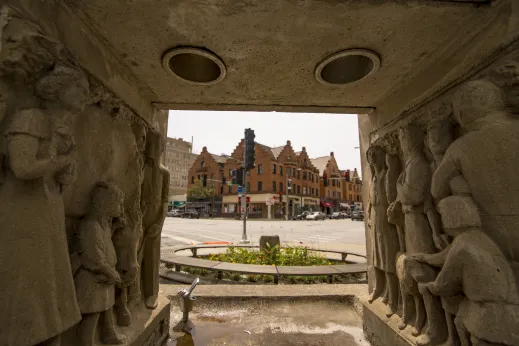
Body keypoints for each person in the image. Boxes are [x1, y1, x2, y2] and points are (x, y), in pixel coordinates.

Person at [0, 65, 88, 346]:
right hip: (24, 212)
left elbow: (62, 178)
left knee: (49, 284)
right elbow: (23, 167)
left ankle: (49, 334)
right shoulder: (30, 119)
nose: (84, 96)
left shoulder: (64, 131)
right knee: (27, 281)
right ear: (58, 89)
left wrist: (67, 171)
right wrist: (62, 161)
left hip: (48, 210)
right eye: (79, 88)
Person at [74, 182, 126, 345]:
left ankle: (109, 334)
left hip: (103, 278)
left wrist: (116, 226)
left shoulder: (102, 225)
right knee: (92, 315)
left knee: (106, 307)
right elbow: (94, 257)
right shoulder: (90, 225)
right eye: (118, 203)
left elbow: (105, 239)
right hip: (92, 279)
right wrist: (111, 273)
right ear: (106, 204)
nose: (120, 207)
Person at [366, 146, 400, 316]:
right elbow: (370, 201)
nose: (372, 158)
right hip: (375, 218)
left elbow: (393, 197)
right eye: (370, 156)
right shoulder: (372, 178)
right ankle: (379, 288)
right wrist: (367, 214)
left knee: (387, 256)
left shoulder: (387, 175)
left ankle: (393, 298)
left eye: (375, 155)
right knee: (376, 256)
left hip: (385, 219)